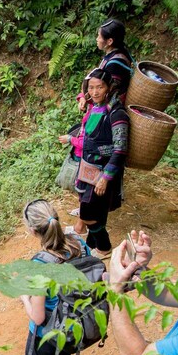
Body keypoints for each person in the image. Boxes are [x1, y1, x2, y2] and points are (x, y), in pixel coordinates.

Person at [18, 199, 91, 355]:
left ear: (33, 231)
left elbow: (38, 317)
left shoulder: (41, 264)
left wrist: (24, 297)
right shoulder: (79, 244)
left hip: (47, 337)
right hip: (75, 326)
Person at [59, 69, 128, 256]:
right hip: (88, 169)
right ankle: (91, 247)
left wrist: (105, 178)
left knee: (89, 214)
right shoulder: (94, 108)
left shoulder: (116, 113)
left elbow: (120, 149)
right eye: (92, 87)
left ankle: (104, 248)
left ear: (108, 88)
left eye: (100, 87)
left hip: (102, 172)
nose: (95, 92)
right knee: (95, 210)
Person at [77, 18, 134, 112]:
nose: (97, 39)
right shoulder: (117, 54)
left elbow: (105, 93)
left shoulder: (115, 64)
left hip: (110, 111)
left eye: (99, 37)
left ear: (109, 41)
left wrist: (85, 97)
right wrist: (82, 97)